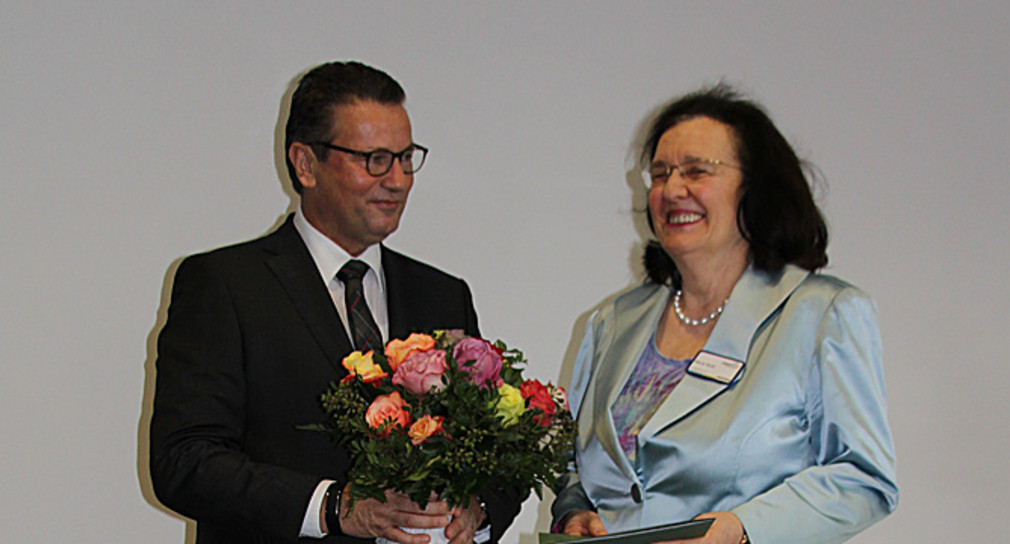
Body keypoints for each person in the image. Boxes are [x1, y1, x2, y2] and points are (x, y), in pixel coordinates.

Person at [150, 61, 521, 544]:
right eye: (375, 159)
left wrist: (478, 509)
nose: (399, 180)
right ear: (305, 164)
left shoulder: (443, 294)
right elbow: (185, 461)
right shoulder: (224, 285)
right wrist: (333, 506)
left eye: (406, 157)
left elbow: (498, 453)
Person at [551, 85, 898, 544]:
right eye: (659, 174)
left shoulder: (823, 314)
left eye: (697, 171)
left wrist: (743, 529)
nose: (673, 190)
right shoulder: (611, 323)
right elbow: (575, 463)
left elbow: (862, 478)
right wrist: (574, 511)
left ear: (755, 188)